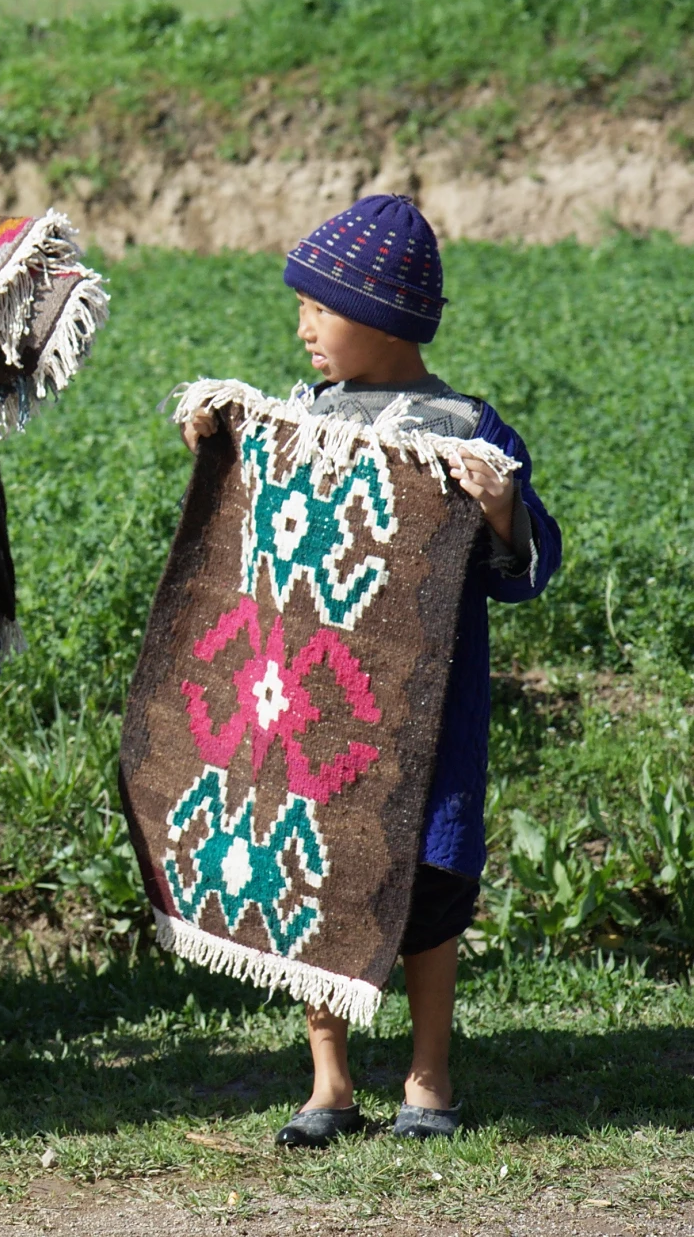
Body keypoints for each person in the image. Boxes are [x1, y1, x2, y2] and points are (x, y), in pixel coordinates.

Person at [182, 194, 561, 1146]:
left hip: (428, 715)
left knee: (431, 882)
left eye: (320, 307)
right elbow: (253, 544)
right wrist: (219, 452)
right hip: (314, 712)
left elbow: (530, 564)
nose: (302, 327)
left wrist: (505, 511)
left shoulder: (467, 429)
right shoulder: (298, 420)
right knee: (316, 883)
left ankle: (428, 1079)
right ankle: (330, 1082)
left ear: (384, 316)